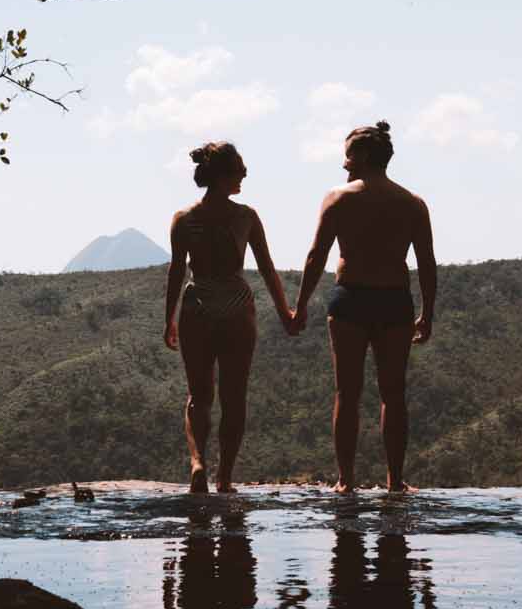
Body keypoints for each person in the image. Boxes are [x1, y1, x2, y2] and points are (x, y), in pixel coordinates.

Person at [290, 120, 436, 494]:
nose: (344, 163)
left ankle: (346, 481)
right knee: (393, 392)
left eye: (349, 154)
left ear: (365, 155)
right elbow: (427, 263)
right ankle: (395, 481)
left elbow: (316, 256)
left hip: (351, 298)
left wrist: (301, 305)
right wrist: (427, 312)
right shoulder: (412, 203)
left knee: (347, 393)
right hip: (393, 300)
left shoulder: (339, 198)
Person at [164, 140, 294, 495]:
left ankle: (198, 464)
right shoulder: (245, 217)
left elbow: (177, 272)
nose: (245, 174)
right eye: (239, 169)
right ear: (222, 176)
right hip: (236, 306)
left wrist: (169, 319)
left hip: (198, 307)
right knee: (234, 396)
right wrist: (285, 311)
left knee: (199, 394)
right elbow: (266, 269)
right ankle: (224, 479)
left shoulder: (184, 219)